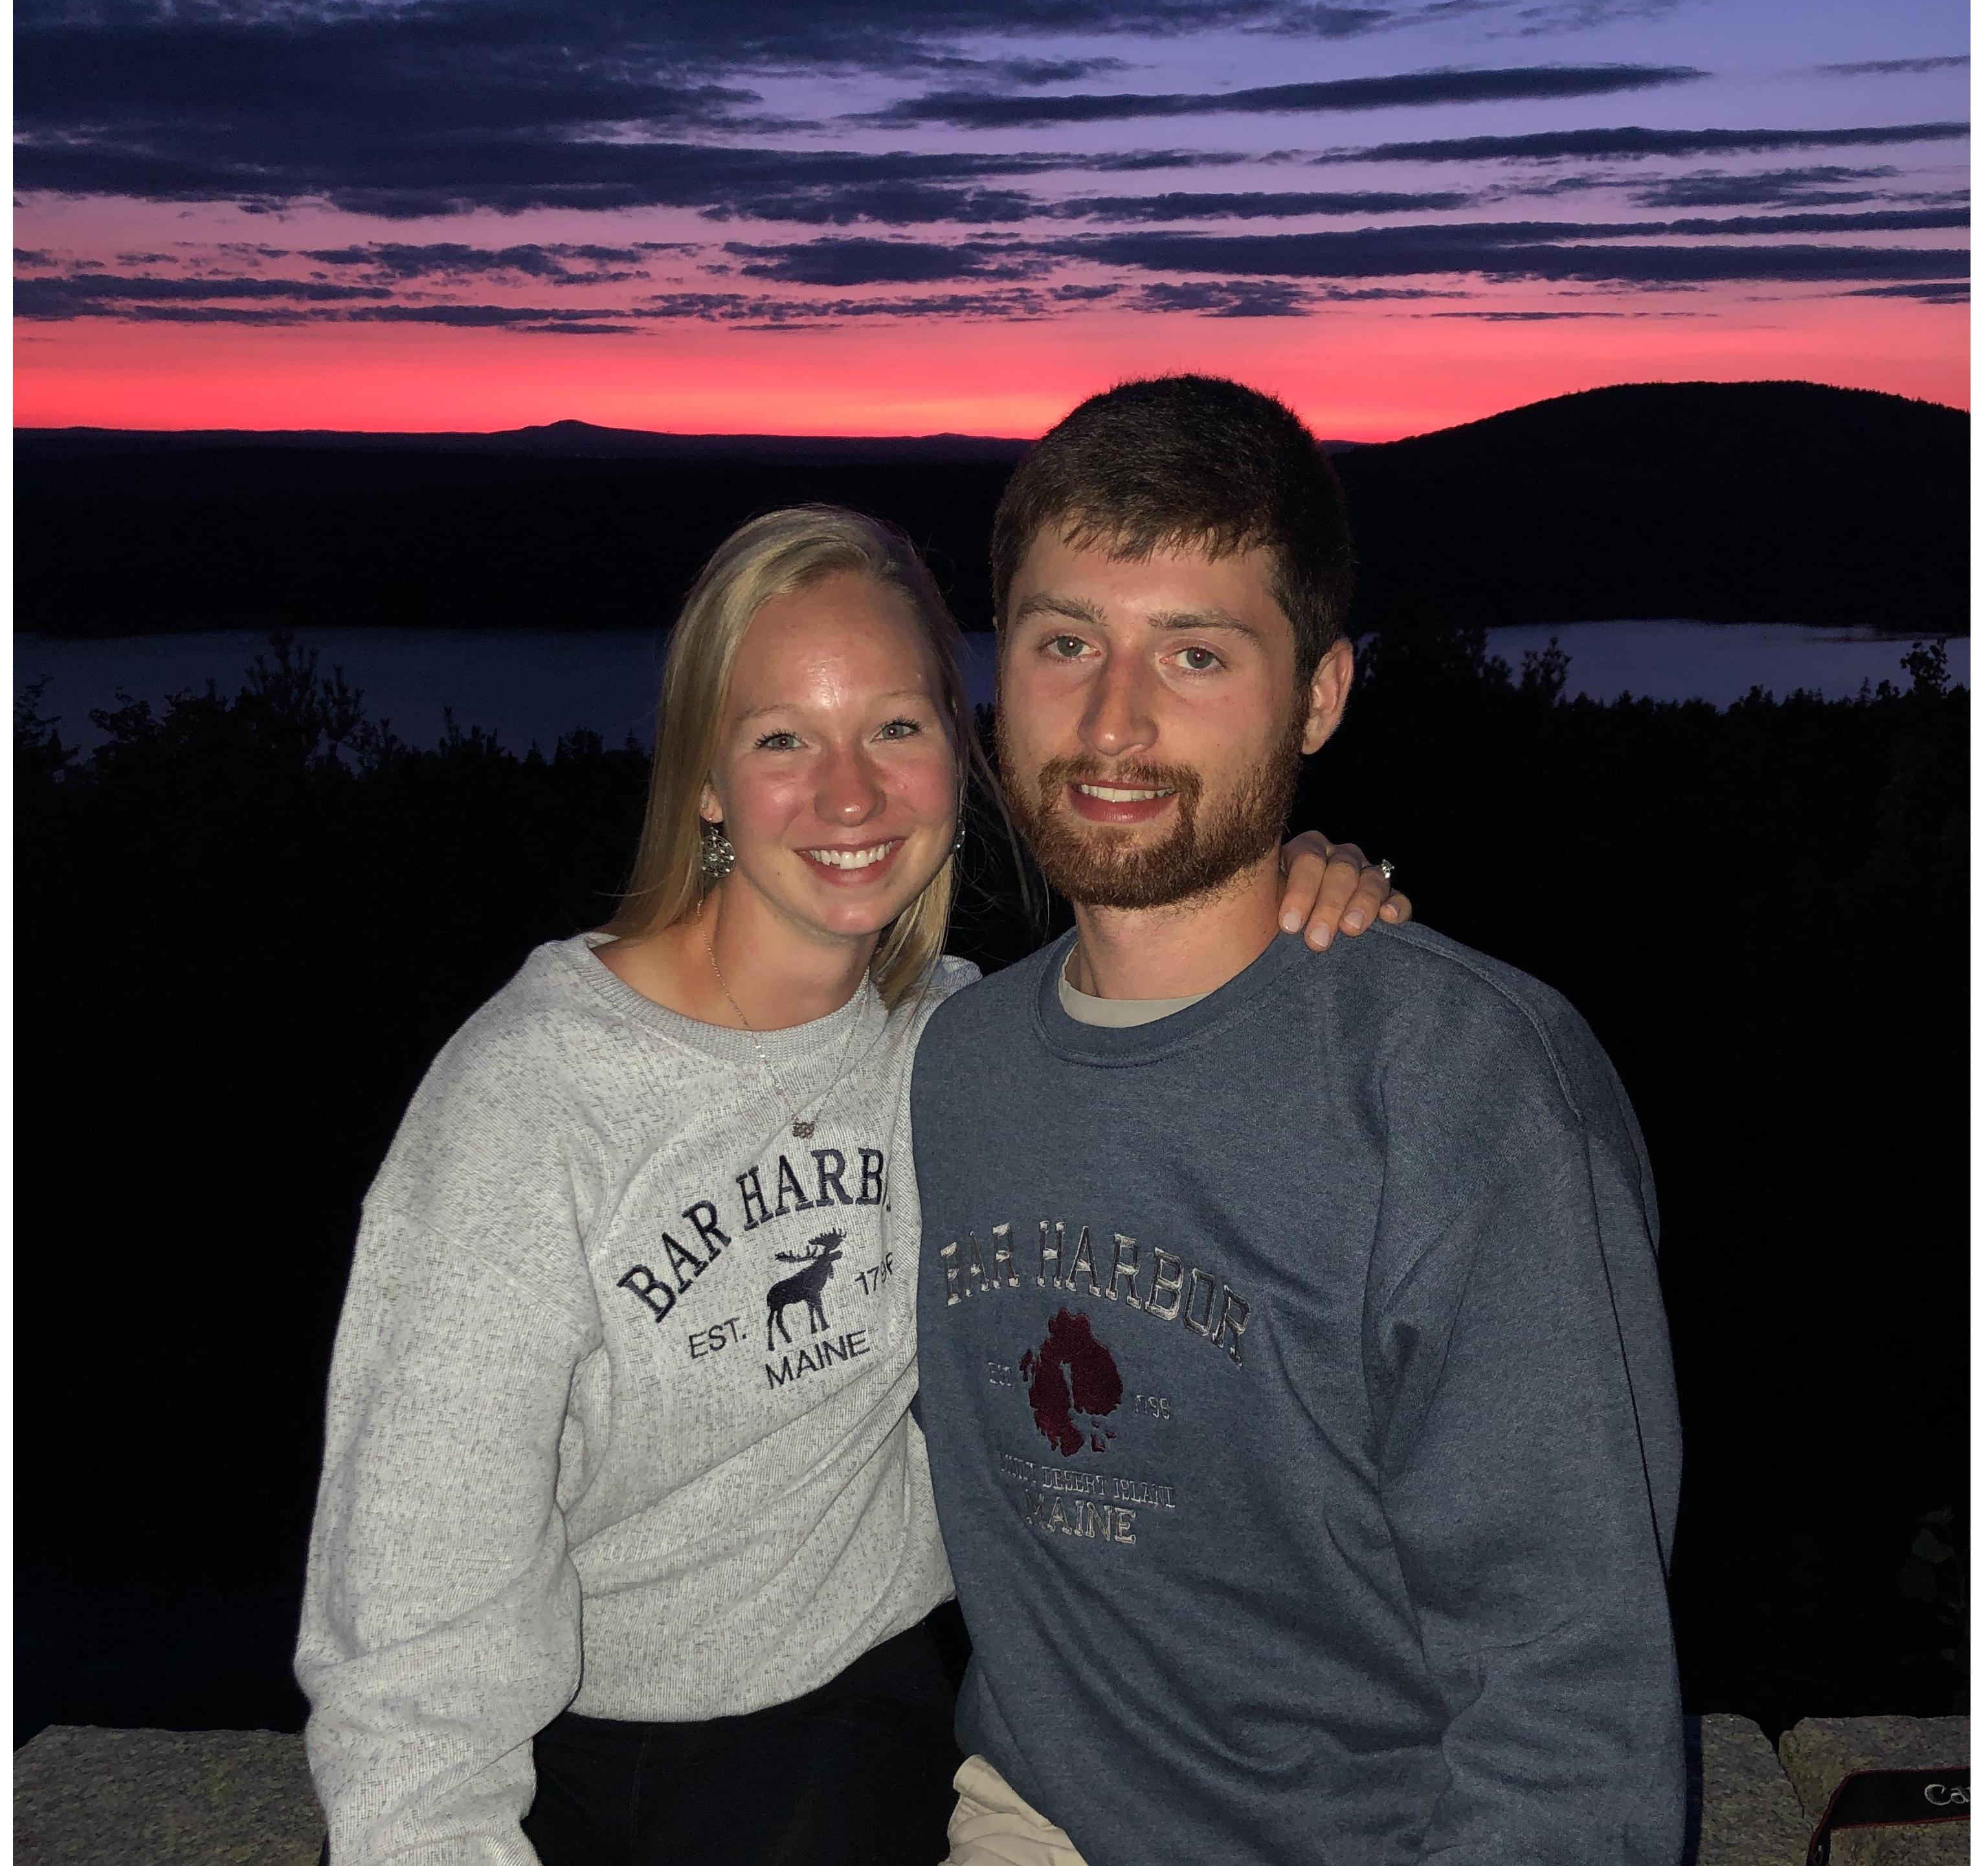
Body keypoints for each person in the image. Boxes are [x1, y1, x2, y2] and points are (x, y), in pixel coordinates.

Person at [294, 502, 1406, 1866]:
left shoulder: (960, 1046)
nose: (850, 798)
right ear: (704, 782)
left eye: (895, 727)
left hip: (878, 1720)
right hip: (595, 1764)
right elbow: (412, 1618)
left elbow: (1158, 1040)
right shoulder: (530, 1104)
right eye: (781, 741)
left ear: (961, 747)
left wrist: (1281, 880)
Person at [911, 375, 1684, 1866]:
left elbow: (1570, 1692)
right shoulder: (958, 1063)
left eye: (1195, 655)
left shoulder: (1461, 1088)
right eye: (1067, 642)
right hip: (1035, 1822)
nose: (1114, 721)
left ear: (1319, 696)